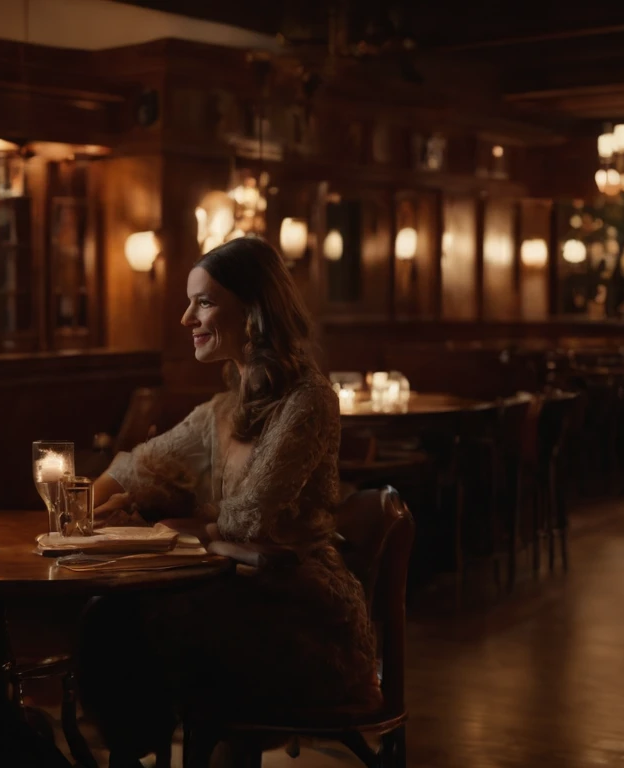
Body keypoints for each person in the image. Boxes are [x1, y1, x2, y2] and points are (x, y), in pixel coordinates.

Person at [78, 237, 381, 766]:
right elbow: (137, 467)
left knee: (127, 624)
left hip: (300, 616)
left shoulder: (310, 400)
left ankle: (134, 750)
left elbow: (249, 517)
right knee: (112, 612)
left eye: (205, 302)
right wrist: (79, 514)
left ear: (255, 311)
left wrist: (178, 521)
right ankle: (134, 752)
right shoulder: (221, 409)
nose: (185, 318)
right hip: (230, 597)